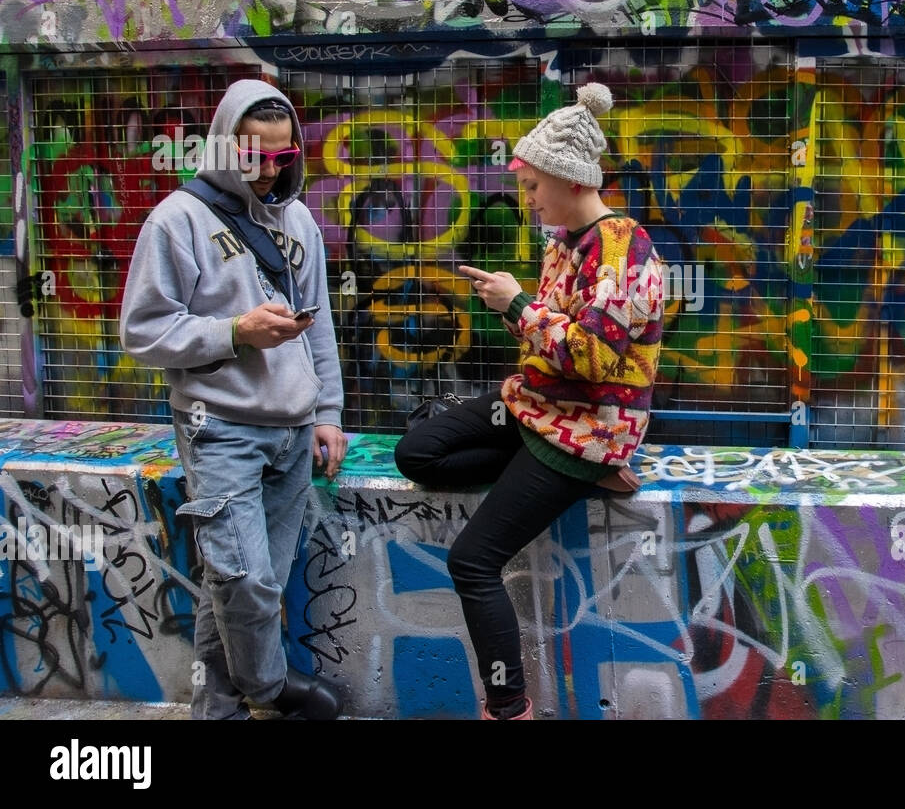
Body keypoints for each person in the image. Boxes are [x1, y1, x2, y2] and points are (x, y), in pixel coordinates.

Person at [395, 82, 664, 719]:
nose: (528, 195)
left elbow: (597, 358)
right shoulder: (562, 243)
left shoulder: (624, 251)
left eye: (535, 183)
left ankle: (509, 708)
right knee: (418, 452)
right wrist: (516, 304)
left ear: (571, 182)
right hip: (536, 408)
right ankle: (548, 479)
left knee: (472, 561)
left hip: (587, 428)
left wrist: (518, 305)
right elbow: (552, 336)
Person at [120, 79, 349, 720]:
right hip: (218, 426)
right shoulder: (177, 220)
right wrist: (233, 331)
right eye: (257, 157)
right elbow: (142, 332)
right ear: (227, 147)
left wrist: (327, 413)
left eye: (285, 156)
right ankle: (272, 690)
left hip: (294, 428)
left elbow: (320, 323)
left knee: (239, 582)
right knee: (246, 581)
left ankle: (216, 711)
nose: (272, 170)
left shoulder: (298, 218)